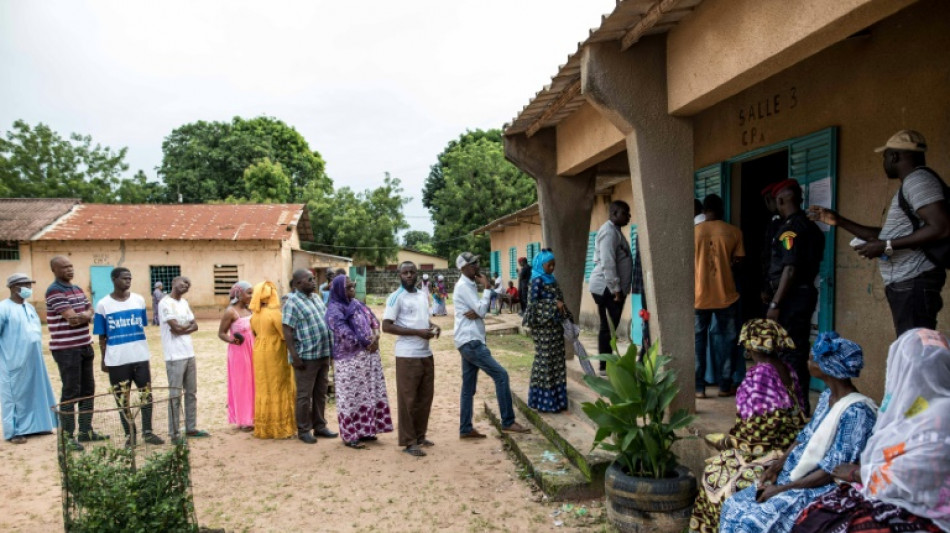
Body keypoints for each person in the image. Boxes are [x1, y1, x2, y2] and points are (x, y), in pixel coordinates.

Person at [793, 327, 950, 533]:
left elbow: (916, 476)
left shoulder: (940, 413)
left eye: (813, 358)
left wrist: (859, 473)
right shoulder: (910, 407)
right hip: (881, 488)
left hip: (922, 506)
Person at [719, 332, 877, 533]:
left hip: (816, 487)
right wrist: (778, 465)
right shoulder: (827, 396)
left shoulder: (857, 413)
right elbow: (804, 436)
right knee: (732, 505)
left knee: (752, 521)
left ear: (826, 368)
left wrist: (782, 489)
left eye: (812, 359)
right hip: (794, 475)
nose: (807, 362)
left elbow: (831, 471)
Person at [809, 130, 950, 336]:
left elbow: (941, 227)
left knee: (914, 354)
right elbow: (887, 235)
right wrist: (839, 221)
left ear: (894, 156)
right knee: (911, 349)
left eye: (885, 156)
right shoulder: (912, 183)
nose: (884, 161)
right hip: (908, 284)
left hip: (914, 282)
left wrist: (886, 245)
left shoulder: (917, 181)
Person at [689, 319, 807, 533]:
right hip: (790, 443)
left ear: (750, 345)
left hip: (771, 450)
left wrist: (728, 441)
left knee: (715, 476)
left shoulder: (760, 375)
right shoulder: (786, 368)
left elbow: (758, 432)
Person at [453, 252, 530, 438]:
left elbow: (478, 310)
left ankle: (465, 428)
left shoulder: (468, 285)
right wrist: (487, 288)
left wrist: (479, 308)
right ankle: (508, 421)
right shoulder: (464, 286)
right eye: (473, 264)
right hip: (471, 341)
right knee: (501, 375)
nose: (477, 266)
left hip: (467, 340)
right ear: (463, 268)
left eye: (477, 262)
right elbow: (481, 310)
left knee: (468, 387)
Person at [767, 179, 824, 415]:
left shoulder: (791, 229)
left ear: (781, 200)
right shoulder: (811, 227)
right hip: (802, 295)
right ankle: (798, 404)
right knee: (796, 350)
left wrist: (775, 303)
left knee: (791, 352)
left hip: (792, 299)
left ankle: (795, 406)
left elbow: (789, 269)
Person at [93, 268, 163, 446]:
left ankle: (148, 432)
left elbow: (141, 326)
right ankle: (130, 434)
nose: (128, 281)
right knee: (122, 399)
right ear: (114, 279)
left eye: (130, 278)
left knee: (146, 394)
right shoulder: (103, 304)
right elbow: (102, 336)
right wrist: (103, 359)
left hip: (140, 356)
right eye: (124, 278)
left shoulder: (138, 300)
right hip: (117, 360)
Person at [325, 275, 393, 449]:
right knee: (350, 398)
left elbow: (374, 321)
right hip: (349, 361)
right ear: (340, 290)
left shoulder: (357, 304)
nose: (352, 290)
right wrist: (365, 343)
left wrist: (376, 337)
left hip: (368, 358)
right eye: (348, 287)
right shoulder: (334, 310)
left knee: (368, 394)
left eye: (353, 286)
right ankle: (350, 434)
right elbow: (344, 333)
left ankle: (367, 430)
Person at [46, 256, 106, 450]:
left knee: (88, 390)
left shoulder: (77, 289)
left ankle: (85, 430)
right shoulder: (54, 291)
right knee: (71, 392)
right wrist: (86, 315)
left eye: (71, 266)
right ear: (54, 270)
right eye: (64, 268)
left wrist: (86, 315)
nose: (69, 270)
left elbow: (91, 310)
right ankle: (67, 436)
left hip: (84, 346)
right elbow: (73, 319)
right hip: (66, 350)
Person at [383, 261, 440, 457]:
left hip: (425, 353)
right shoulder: (396, 297)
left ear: (417, 274)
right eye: (405, 272)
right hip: (407, 355)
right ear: (399, 275)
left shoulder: (422, 295)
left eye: (412, 272)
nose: (409, 275)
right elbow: (387, 326)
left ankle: (420, 435)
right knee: (408, 399)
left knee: (425, 398)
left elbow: (422, 320)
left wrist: (433, 327)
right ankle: (409, 441)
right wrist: (417, 332)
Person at [694, 194, 746, 399]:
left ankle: (699, 388)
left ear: (703, 211)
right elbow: (740, 261)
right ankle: (725, 385)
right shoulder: (734, 232)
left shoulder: (694, 232)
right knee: (729, 340)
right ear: (722, 209)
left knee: (699, 341)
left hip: (699, 296)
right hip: (727, 296)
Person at [0, 273, 57, 444]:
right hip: (13, 360)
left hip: (34, 359)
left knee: (35, 391)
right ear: (13, 287)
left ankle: (37, 426)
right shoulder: (4, 308)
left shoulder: (30, 308)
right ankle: (14, 431)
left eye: (29, 285)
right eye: (24, 285)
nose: (28, 288)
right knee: (14, 396)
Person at [283, 269, 337, 444]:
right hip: (305, 357)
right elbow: (287, 331)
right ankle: (304, 429)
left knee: (321, 393)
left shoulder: (316, 297)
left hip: (322, 353)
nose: (314, 282)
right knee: (304, 396)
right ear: (298, 284)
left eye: (314, 279)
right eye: (309, 279)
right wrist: (294, 355)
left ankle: (320, 426)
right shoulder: (292, 302)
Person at [159, 276, 209, 440]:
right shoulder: (165, 303)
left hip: (189, 353)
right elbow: (175, 327)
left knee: (191, 392)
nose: (186, 286)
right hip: (174, 356)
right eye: (183, 282)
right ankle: (174, 432)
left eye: (188, 284)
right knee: (175, 395)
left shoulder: (184, 303)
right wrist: (184, 327)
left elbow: (193, 325)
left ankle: (191, 428)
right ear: (173, 282)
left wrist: (183, 328)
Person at [523, 249, 570, 413]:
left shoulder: (552, 280)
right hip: (543, 328)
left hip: (555, 328)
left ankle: (557, 400)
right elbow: (532, 307)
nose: (552, 267)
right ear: (540, 264)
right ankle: (544, 402)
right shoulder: (536, 281)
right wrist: (553, 305)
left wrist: (564, 311)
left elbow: (560, 300)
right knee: (545, 361)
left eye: (553, 265)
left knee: (557, 361)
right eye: (549, 264)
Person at [589, 200, 633, 372]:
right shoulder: (609, 233)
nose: (628, 216)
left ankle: (606, 365)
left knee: (609, 328)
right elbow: (608, 263)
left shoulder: (615, 231)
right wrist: (616, 289)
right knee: (608, 328)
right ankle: (604, 367)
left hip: (609, 287)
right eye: (625, 213)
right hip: (607, 288)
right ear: (614, 213)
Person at [249, 281, 296, 439]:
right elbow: (284, 335)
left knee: (264, 386)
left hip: (259, 351)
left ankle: (265, 426)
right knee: (279, 385)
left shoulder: (254, 315)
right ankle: (281, 427)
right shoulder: (274, 314)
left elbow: (255, 333)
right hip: (275, 351)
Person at [218, 280, 255, 431]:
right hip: (239, 351)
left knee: (254, 382)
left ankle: (254, 415)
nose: (252, 296)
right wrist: (233, 340)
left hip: (253, 349)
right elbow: (221, 333)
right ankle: (244, 419)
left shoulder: (251, 310)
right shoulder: (230, 312)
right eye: (249, 293)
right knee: (242, 384)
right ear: (239, 294)